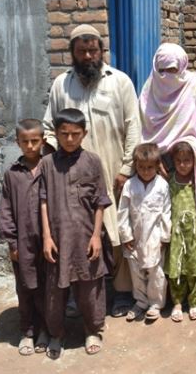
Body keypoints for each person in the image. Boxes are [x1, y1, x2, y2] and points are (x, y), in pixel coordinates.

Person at [42, 24, 141, 318]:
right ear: (72, 53)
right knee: (76, 232)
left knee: (119, 232)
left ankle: (122, 292)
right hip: (72, 177)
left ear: (101, 51)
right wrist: (55, 162)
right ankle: (79, 293)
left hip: (114, 172)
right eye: (82, 51)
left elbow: (134, 127)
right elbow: (49, 127)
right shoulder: (61, 85)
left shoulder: (120, 82)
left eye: (93, 50)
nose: (88, 56)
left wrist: (126, 169)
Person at [40, 108, 111, 358]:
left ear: (84, 134)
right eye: (64, 134)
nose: (69, 139)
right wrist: (47, 237)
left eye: (75, 134)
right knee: (54, 290)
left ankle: (92, 329)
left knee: (90, 287)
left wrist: (96, 236)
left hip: (85, 237)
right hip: (57, 239)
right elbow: (43, 201)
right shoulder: (47, 163)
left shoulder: (92, 161)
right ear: (55, 134)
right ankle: (56, 333)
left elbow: (100, 201)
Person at [139, 42, 196, 234]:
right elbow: (141, 131)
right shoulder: (149, 90)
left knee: (186, 223)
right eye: (162, 71)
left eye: (172, 70)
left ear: (182, 67)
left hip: (190, 165)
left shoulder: (195, 87)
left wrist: (188, 162)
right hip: (154, 167)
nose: (166, 76)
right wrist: (153, 159)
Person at [0, 118, 48, 356]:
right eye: (25, 141)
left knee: (48, 289)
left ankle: (46, 330)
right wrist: (12, 242)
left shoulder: (50, 168)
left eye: (34, 141)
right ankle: (27, 332)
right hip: (23, 243)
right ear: (18, 142)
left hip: (48, 242)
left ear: (43, 141)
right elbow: (6, 208)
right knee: (26, 288)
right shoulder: (12, 173)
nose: (30, 146)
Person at [116, 143, 171, 323]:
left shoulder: (162, 185)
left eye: (150, 168)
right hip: (134, 237)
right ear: (136, 166)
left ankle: (156, 303)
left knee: (156, 271)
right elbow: (123, 211)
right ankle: (141, 301)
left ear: (157, 166)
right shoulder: (130, 185)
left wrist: (165, 237)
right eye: (141, 167)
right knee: (136, 271)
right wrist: (126, 235)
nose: (146, 171)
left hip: (155, 237)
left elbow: (166, 212)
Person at [165, 142, 196, 322]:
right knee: (176, 269)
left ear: (194, 161)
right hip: (176, 234)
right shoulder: (170, 181)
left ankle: (195, 302)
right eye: (178, 161)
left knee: (195, 271)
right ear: (173, 161)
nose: (183, 165)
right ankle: (177, 302)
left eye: (187, 160)